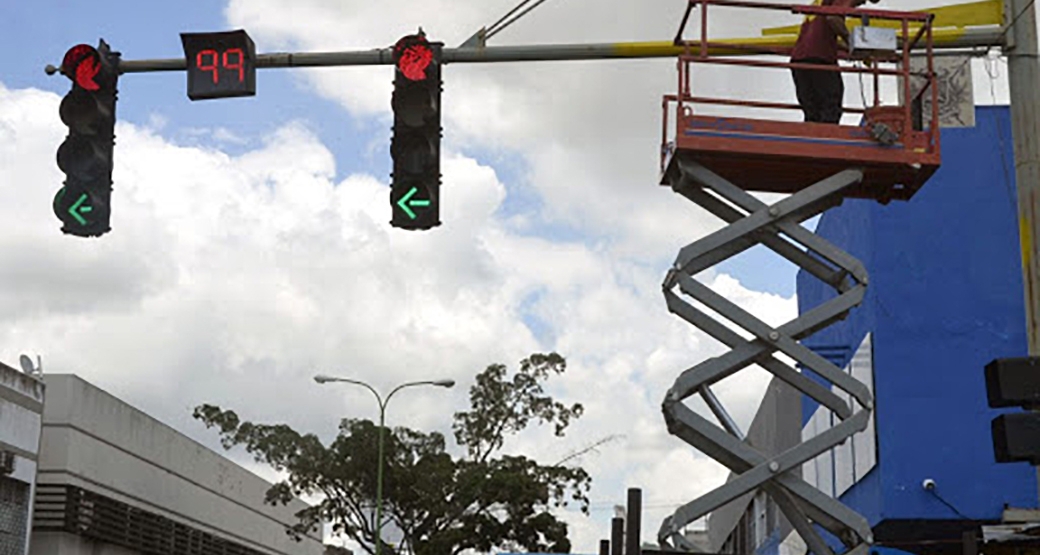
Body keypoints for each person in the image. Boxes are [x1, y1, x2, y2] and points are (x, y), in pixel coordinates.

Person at [790, 0, 874, 123]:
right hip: (819, 58)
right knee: (831, 106)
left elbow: (822, 34)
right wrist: (851, 42)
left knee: (813, 112)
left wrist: (849, 50)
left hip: (799, 60)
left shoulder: (819, 3)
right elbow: (833, 18)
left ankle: (812, 139)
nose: (860, 4)